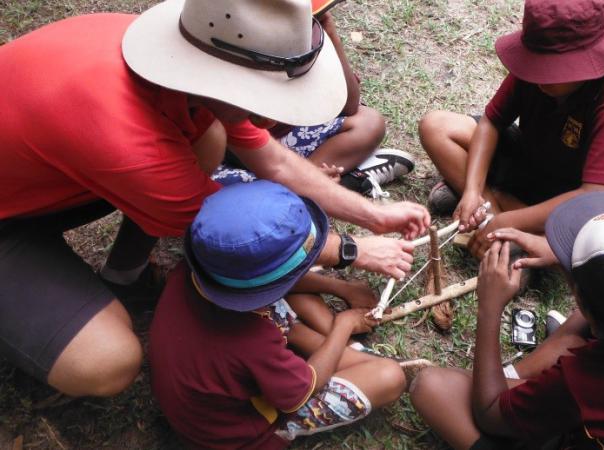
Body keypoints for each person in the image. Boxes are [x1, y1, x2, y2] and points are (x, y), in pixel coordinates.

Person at [0, 0, 429, 398]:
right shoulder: (127, 140)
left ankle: (122, 275)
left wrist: (373, 214)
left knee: (208, 138)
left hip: (37, 178)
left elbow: (275, 163)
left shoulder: (187, 60)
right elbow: (226, 224)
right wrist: (352, 251)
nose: (272, 115)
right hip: (21, 213)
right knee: (107, 362)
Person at [410, 192, 604, 449]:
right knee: (572, 338)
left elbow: (489, 413)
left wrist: (489, 309)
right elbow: (600, 308)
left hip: (585, 413)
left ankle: (514, 393)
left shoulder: (589, 382)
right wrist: (562, 255)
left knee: (431, 387)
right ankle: (515, 384)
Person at [149, 180, 407, 449]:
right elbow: (304, 390)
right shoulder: (250, 341)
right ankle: (335, 361)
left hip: (198, 386)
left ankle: (337, 349)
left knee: (296, 307)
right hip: (241, 436)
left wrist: (340, 287)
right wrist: (343, 324)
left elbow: (277, 284)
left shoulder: (203, 270)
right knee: (390, 376)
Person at [419, 0, 604, 258]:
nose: (539, 78)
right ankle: (494, 210)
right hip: (526, 164)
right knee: (435, 126)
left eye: (551, 70)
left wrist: (507, 221)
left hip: (570, 199)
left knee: (597, 237)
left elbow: (596, 193)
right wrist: (472, 190)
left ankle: (514, 228)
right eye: (536, 65)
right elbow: (491, 123)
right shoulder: (532, 69)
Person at [216, 11, 416, 198]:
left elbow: (350, 106)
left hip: (293, 143)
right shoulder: (223, 32)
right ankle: (328, 186)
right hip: (234, 153)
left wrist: (328, 32)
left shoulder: (306, 31)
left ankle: (303, 186)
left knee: (369, 123)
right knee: (216, 197)